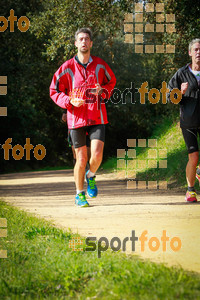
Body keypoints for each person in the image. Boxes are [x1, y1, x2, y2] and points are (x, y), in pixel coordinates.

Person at [50, 28, 116, 207]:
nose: (84, 42)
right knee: (81, 159)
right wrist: (69, 101)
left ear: (91, 43)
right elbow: (54, 90)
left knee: (96, 154)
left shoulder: (101, 65)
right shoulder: (67, 67)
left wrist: (103, 92)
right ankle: (79, 194)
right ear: (76, 43)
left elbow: (111, 82)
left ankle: (91, 175)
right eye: (81, 39)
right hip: (75, 118)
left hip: (98, 115)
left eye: (87, 39)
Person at [168, 38, 200, 202]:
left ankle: (199, 171)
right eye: (195, 49)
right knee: (193, 157)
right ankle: (190, 190)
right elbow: (170, 97)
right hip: (188, 122)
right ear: (189, 53)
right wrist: (179, 92)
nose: (198, 52)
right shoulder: (181, 74)